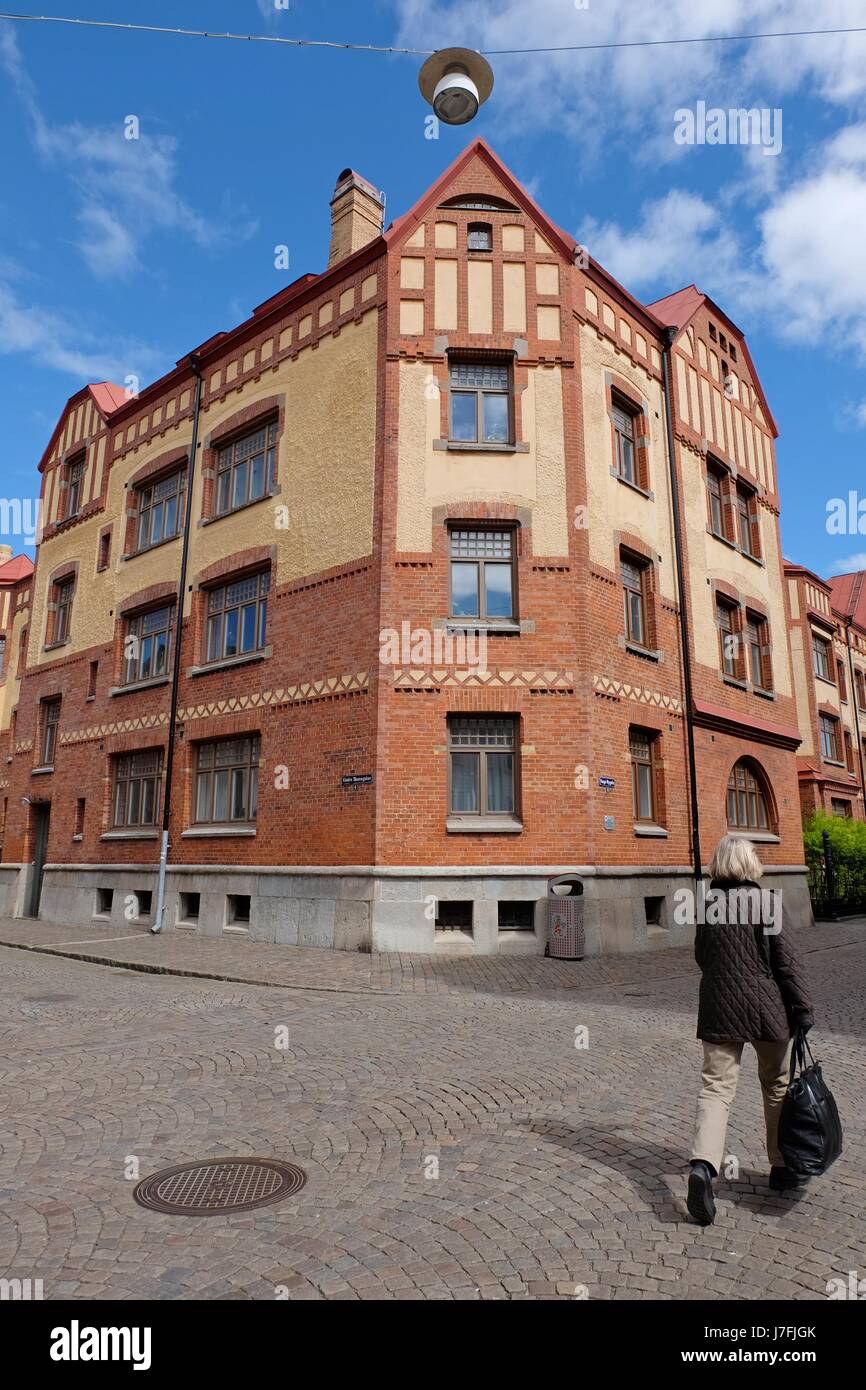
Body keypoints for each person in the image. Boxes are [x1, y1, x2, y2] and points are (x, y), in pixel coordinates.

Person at [687, 833, 814, 1225]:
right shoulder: (768, 902)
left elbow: (701, 957)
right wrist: (803, 1008)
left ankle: (703, 1168)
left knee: (716, 1089)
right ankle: (780, 1167)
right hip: (766, 1009)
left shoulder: (708, 905)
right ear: (750, 864)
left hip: (719, 1007)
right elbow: (787, 964)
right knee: (775, 1084)